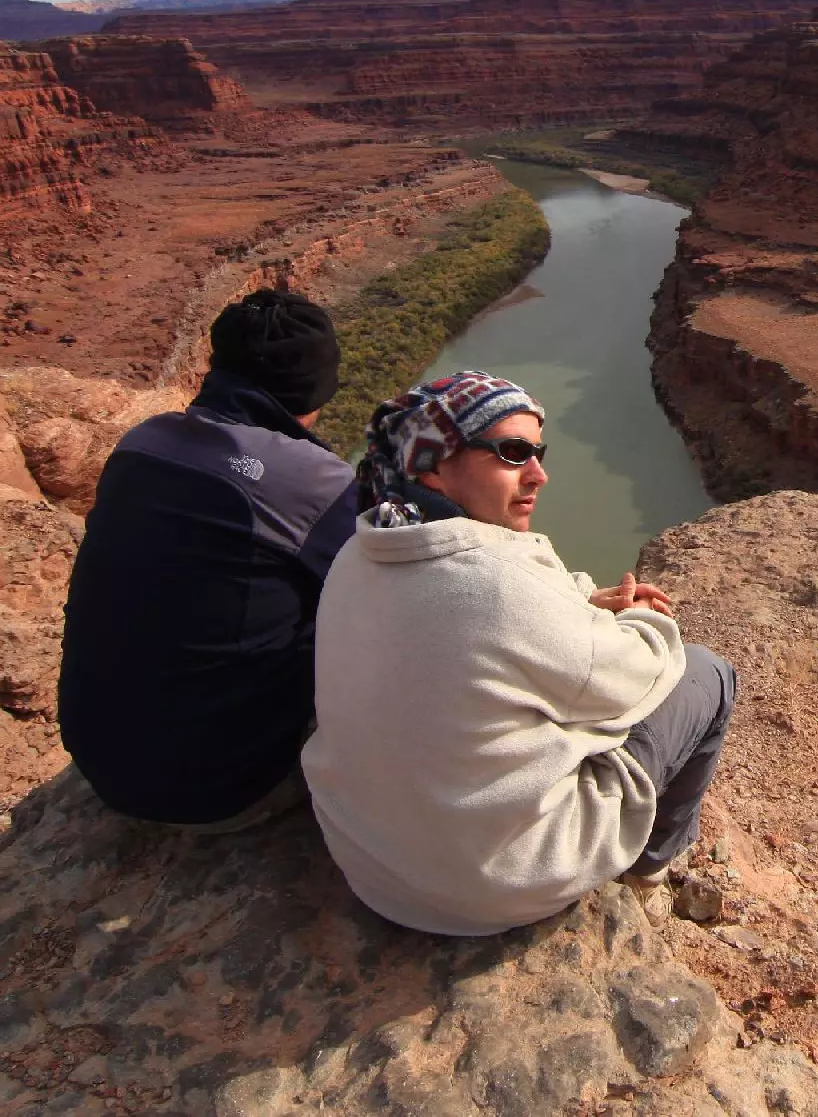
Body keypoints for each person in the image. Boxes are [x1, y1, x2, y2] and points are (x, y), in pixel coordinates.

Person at [302, 370, 736, 936]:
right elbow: (631, 678)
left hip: (372, 864)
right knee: (709, 674)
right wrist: (639, 618)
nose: (539, 474)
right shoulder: (499, 586)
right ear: (432, 464)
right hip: (486, 890)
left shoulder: (359, 553)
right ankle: (651, 869)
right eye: (512, 454)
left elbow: (488, 630)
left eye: (538, 451)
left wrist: (580, 604)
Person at [58, 289, 357, 831]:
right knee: (379, 618)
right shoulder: (314, 482)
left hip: (100, 764)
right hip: (220, 789)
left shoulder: (140, 443)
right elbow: (394, 590)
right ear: (317, 386)